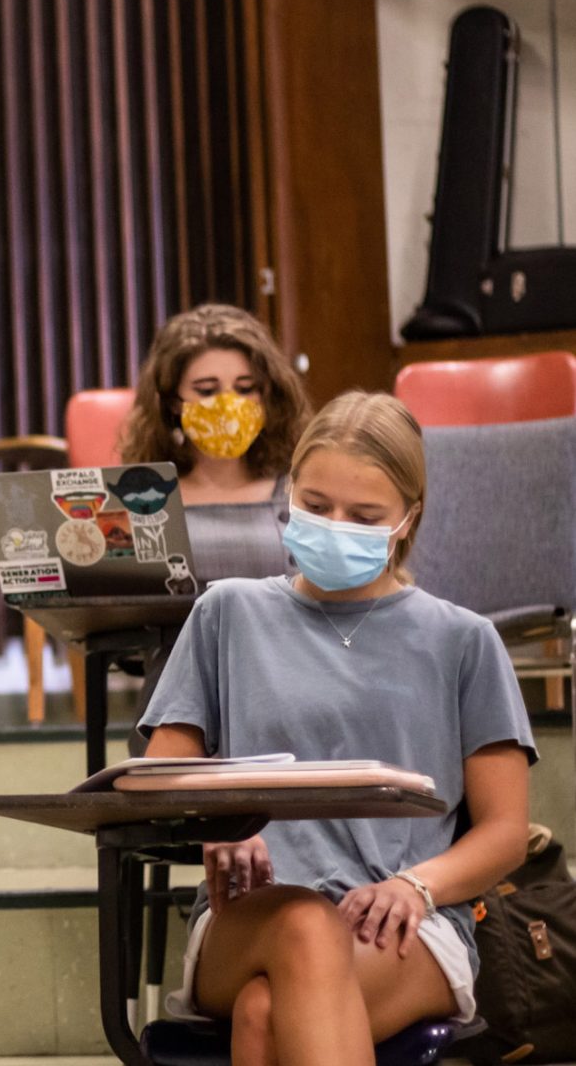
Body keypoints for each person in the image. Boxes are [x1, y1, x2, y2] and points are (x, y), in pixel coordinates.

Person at [138, 391, 536, 1064]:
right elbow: (159, 775)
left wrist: (418, 884)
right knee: (302, 924)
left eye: (364, 516)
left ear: (407, 520)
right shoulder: (227, 612)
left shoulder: (464, 641)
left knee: (265, 1012)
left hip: (407, 919)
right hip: (248, 918)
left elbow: (505, 833)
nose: (334, 525)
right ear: (290, 491)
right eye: (316, 506)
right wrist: (215, 825)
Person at [119, 303, 312, 583]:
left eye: (246, 389)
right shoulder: (141, 500)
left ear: (268, 395)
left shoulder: (305, 490)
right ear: (173, 402)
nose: (229, 404)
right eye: (207, 390)